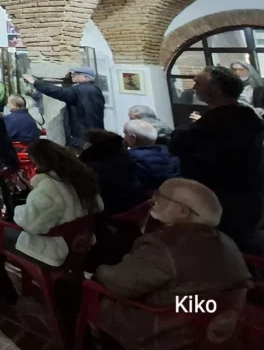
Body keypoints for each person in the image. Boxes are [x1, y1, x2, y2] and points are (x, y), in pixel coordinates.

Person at [54, 179, 251, 350]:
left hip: (163, 330)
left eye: (161, 196)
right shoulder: (226, 241)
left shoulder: (163, 244)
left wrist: (99, 271)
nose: (153, 200)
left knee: (67, 288)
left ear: (182, 211)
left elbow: (119, 284)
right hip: (207, 324)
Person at [0, 139, 103, 302]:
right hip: (79, 245)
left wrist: (20, 207)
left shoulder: (50, 188)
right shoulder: (81, 181)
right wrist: (33, 193)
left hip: (52, 248)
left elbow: (29, 223)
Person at [169, 66, 264, 253]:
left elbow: (179, 144)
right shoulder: (244, 118)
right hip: (247, 196)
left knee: (221, 251)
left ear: (216, 90)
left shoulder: (217, 124)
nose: (194, 87)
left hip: (219, 200)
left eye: (198, 83)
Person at [25, 66, 105, 150]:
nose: (72, 75)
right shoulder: (95, 90)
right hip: (93, 134)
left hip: (82, 138)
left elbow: (58, 92)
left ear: (86, 77)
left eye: (75, 74)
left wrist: (35, 82)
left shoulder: (80, 90)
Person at [79, 130, 147, 216]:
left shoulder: (93, 168)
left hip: (113, 210)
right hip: (134, 204)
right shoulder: (124, 155)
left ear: (92, 145)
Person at [123, 119, 179, 191]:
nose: (123, 137)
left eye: (125, 133)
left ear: (133, 138)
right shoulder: (170, 155)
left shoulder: (130, 160)